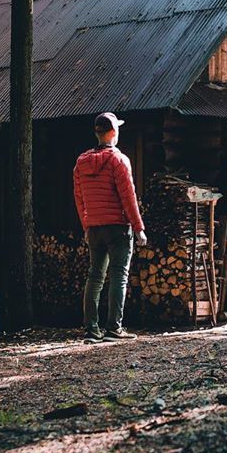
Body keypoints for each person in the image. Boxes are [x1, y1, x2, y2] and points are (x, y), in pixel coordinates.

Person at [72, 111, 146, 340]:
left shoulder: (81, 163)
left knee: (95, 277)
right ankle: (114, 328)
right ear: (113, 132)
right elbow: (128, 196)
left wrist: (86, 225)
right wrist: (138, 227)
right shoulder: (118, 160)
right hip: (117, 227)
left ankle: (91, 330)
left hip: (94, 227)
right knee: (118, 276)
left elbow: (79, 197)